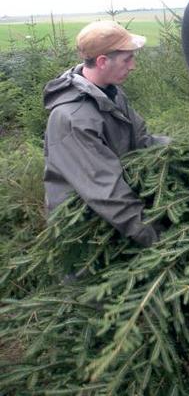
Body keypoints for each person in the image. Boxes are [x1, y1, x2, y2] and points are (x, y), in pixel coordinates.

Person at [43, 20, 168, 247]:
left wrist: (188, 145)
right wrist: (160, 239)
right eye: (127, 59)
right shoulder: (73, 118)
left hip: (115, 223)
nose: (133, 66)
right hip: (85, 235)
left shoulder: (112, 94)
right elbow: (108, 194)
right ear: (102, 61)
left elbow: (142, 141)